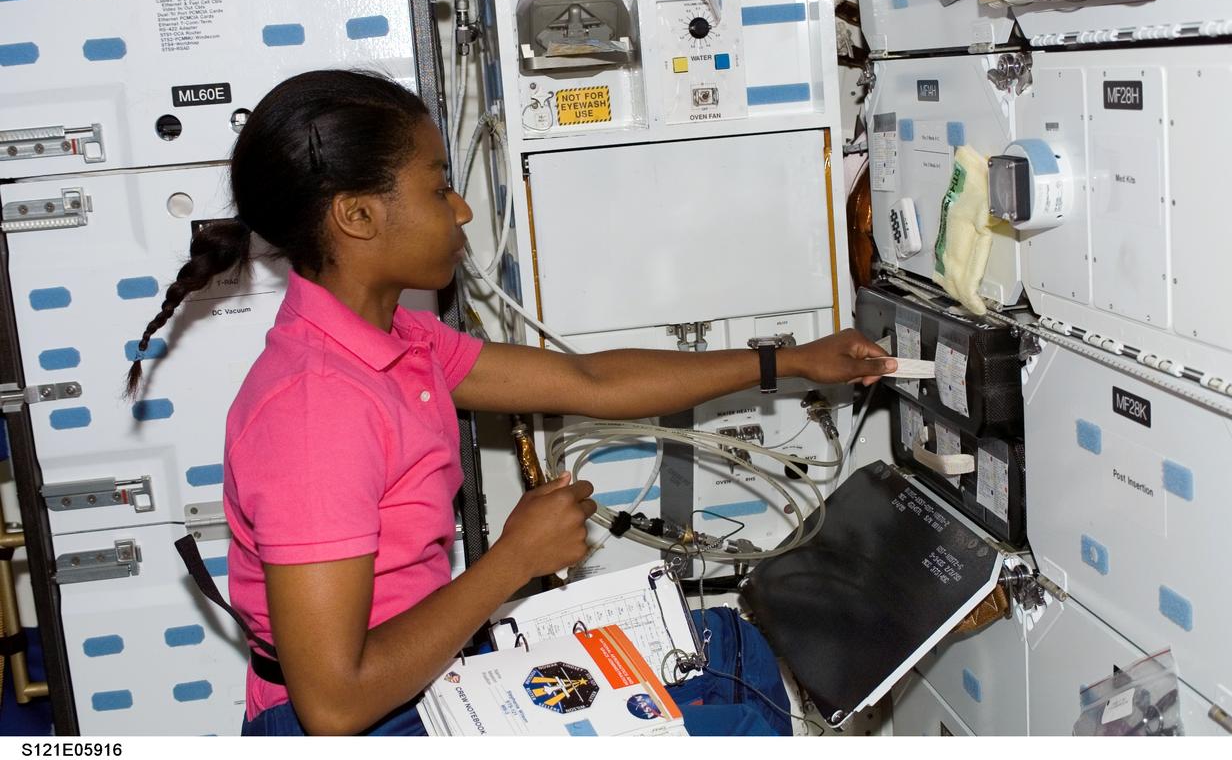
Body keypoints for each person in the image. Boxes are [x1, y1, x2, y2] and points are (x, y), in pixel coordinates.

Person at [124, 69, 896, 736]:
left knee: (726, 654)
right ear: (357, 216)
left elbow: (591, 383)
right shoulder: (314, 412)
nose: (460, 210)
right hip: (359, 716)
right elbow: (333, 702)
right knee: (726, 717)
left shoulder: (399, 341)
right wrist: (512, 561)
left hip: (422, 676)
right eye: (438, 187)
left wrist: (790, 360)